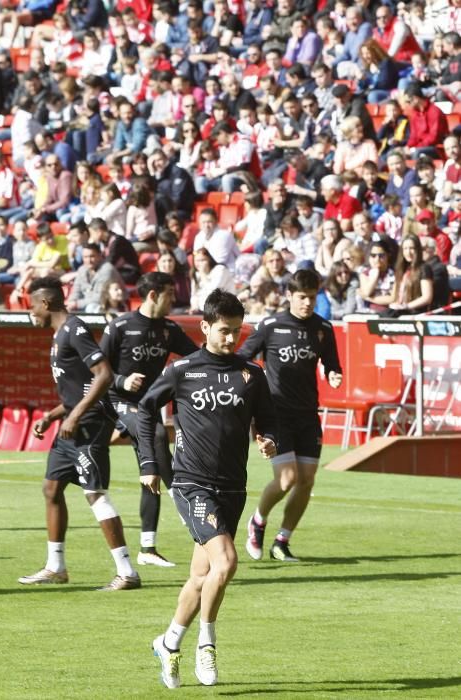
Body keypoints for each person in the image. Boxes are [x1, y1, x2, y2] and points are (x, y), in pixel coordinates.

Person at [137, 288, 277, 689]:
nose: (231, 339)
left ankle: (168, 642)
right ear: (204, 327)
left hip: (233, 487)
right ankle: (207, 644)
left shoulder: (252, 374)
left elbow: (269, 420)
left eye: (237, 331)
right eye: (223, 331)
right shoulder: (182, 371)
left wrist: (268, 439)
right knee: (228, 562)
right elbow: (145, 409)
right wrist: (150, 462)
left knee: (202, 576)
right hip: (192, 483)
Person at [19, 276, 140, 590]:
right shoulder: (59, 335)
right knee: (51, 489)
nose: (31, 311)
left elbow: (104, 375)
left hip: (90, 424)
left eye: (33, 305)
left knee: (94, 493)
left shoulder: (75, 330)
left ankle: (127, 572)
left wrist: (73, 416)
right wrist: (53, 415)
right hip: (72, 423)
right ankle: (55, 566)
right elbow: (78, 389)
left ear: (46, 303)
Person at [240, 269, 343, 562]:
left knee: (306, 480)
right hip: (276, 414)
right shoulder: (271, 325)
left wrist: (335, 374)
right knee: (286, 479)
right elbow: (245, 356)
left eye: (312, 297)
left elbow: (332, 364)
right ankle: (258, 521)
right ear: (289, 296)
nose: (307, 303)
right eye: (302, 297)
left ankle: (282, 541)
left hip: (308, 415)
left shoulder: (323, 328)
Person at [100, 272, 198, 567]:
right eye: (169, 292)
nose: (174, 298)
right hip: (117, 403)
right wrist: (121, 381)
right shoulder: (120, 326)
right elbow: (97, 369)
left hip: (147, 407)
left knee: (154, 464)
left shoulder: (169, 329)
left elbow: (195, 357)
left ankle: (147, 548)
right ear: (153, 295)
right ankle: (184, 503)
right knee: (155, 438)